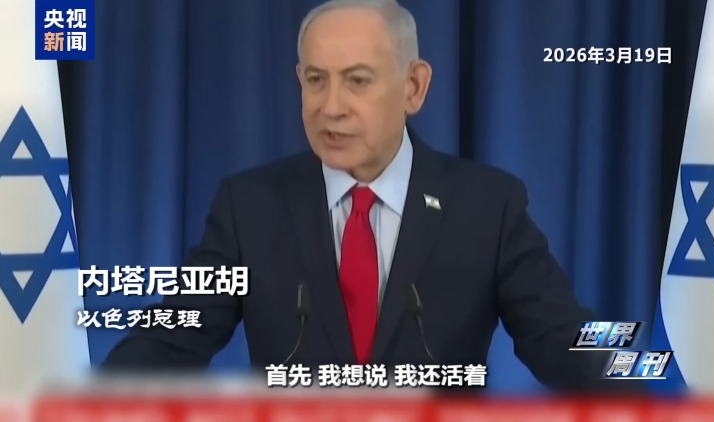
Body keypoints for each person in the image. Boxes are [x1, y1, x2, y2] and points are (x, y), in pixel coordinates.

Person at [103, 0, 630, 393]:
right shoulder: (250, 207)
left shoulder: (486, 207)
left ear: (414, 87)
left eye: (357, 81)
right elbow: (170, 338)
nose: (331, 106)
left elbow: (566, 338)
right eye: (316, 80)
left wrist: (643, 381)